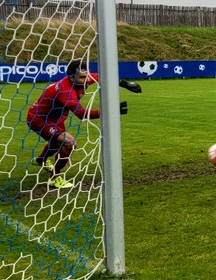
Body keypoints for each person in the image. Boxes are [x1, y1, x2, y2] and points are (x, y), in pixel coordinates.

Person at [26, 61, 138, 189]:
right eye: (82, 78)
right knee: (69, 143)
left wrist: (126, 84)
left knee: (56, 142)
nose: (86, 80)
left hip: (56, 118)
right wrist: (109, 111)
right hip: (39, 119)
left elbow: (103, 76)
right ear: (72, 77)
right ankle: (54, 178)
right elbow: (81, 114)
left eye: (87, 77)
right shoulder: (65, 91)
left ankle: (41, 160)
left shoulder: (82, 79)